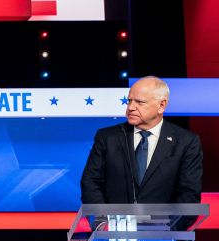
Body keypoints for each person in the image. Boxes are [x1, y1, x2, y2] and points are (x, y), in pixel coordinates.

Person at [80, 76, 203, 204]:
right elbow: (91, 182)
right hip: (115, 223)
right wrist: (102, 221)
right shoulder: (107, 137)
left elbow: (189, 193)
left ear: (161, 105)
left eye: (140, 102)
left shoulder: (186, 142)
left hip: (166, 223)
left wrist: (171, 224)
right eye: (129, 101)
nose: (131, 107)